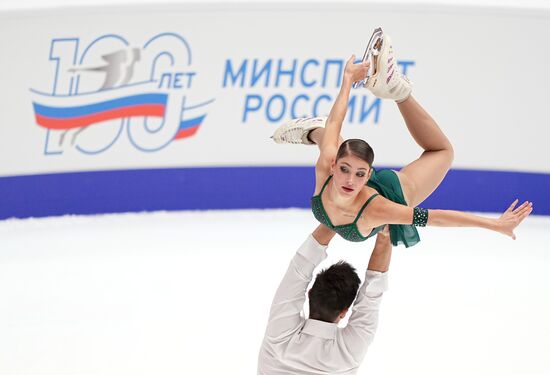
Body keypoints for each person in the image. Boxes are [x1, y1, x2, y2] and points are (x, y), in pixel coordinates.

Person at [272, 32, 533, 247]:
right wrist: (347, 80)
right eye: (344, 170)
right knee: (332, 135)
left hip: (392, 189)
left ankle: (395, 93)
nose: (350, 181)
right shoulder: (325, 167)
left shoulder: (379, 208)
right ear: (332, 166)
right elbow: (336, 119)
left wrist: (495, 225)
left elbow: (437, 218)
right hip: (343, 161)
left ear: (369, 174)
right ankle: (383, 98)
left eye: (360, 174)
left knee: (442, 152)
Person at [257, 224, 392, 374]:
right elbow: (371, 294)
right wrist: (386, 234)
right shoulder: (349, 353)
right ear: (344, 312)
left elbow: (300, 266)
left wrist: (337, 217)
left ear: (310, 293)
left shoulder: (280, 336)